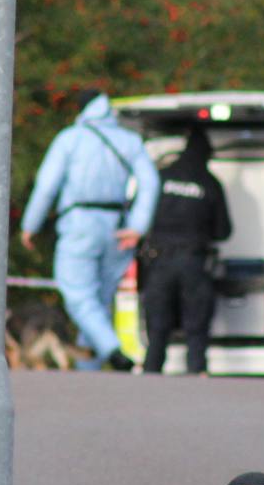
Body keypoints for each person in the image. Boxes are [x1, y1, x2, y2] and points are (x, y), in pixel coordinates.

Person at [20, 91, 159, 371]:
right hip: (118, 229)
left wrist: (30, 226)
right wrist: (137, 226)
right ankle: (90, 371)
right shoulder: (129, 140)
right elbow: (151, 183)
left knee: (79, 296)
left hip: (79, 225)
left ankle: (112, 350)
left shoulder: (70, 138)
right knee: (100, 301)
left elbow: (46, 186)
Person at [138, 127, 232, 375]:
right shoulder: (210, 183)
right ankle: (196, 373)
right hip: (194, 261)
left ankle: (151, 373)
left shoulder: (161, 176)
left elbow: (141, 214)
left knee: (157, 325)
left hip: (159, 261)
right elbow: (223, 231)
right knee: (196, 325)